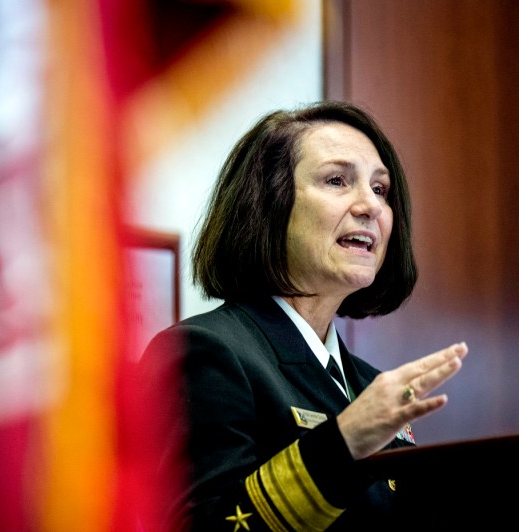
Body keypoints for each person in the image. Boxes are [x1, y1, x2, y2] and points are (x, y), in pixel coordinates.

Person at [141, 100, 467, 531]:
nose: (370, 206)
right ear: (268, 206)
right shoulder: (205, 353)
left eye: (380, 189)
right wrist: (342, 443)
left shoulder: (370, 385)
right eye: (337, 180)